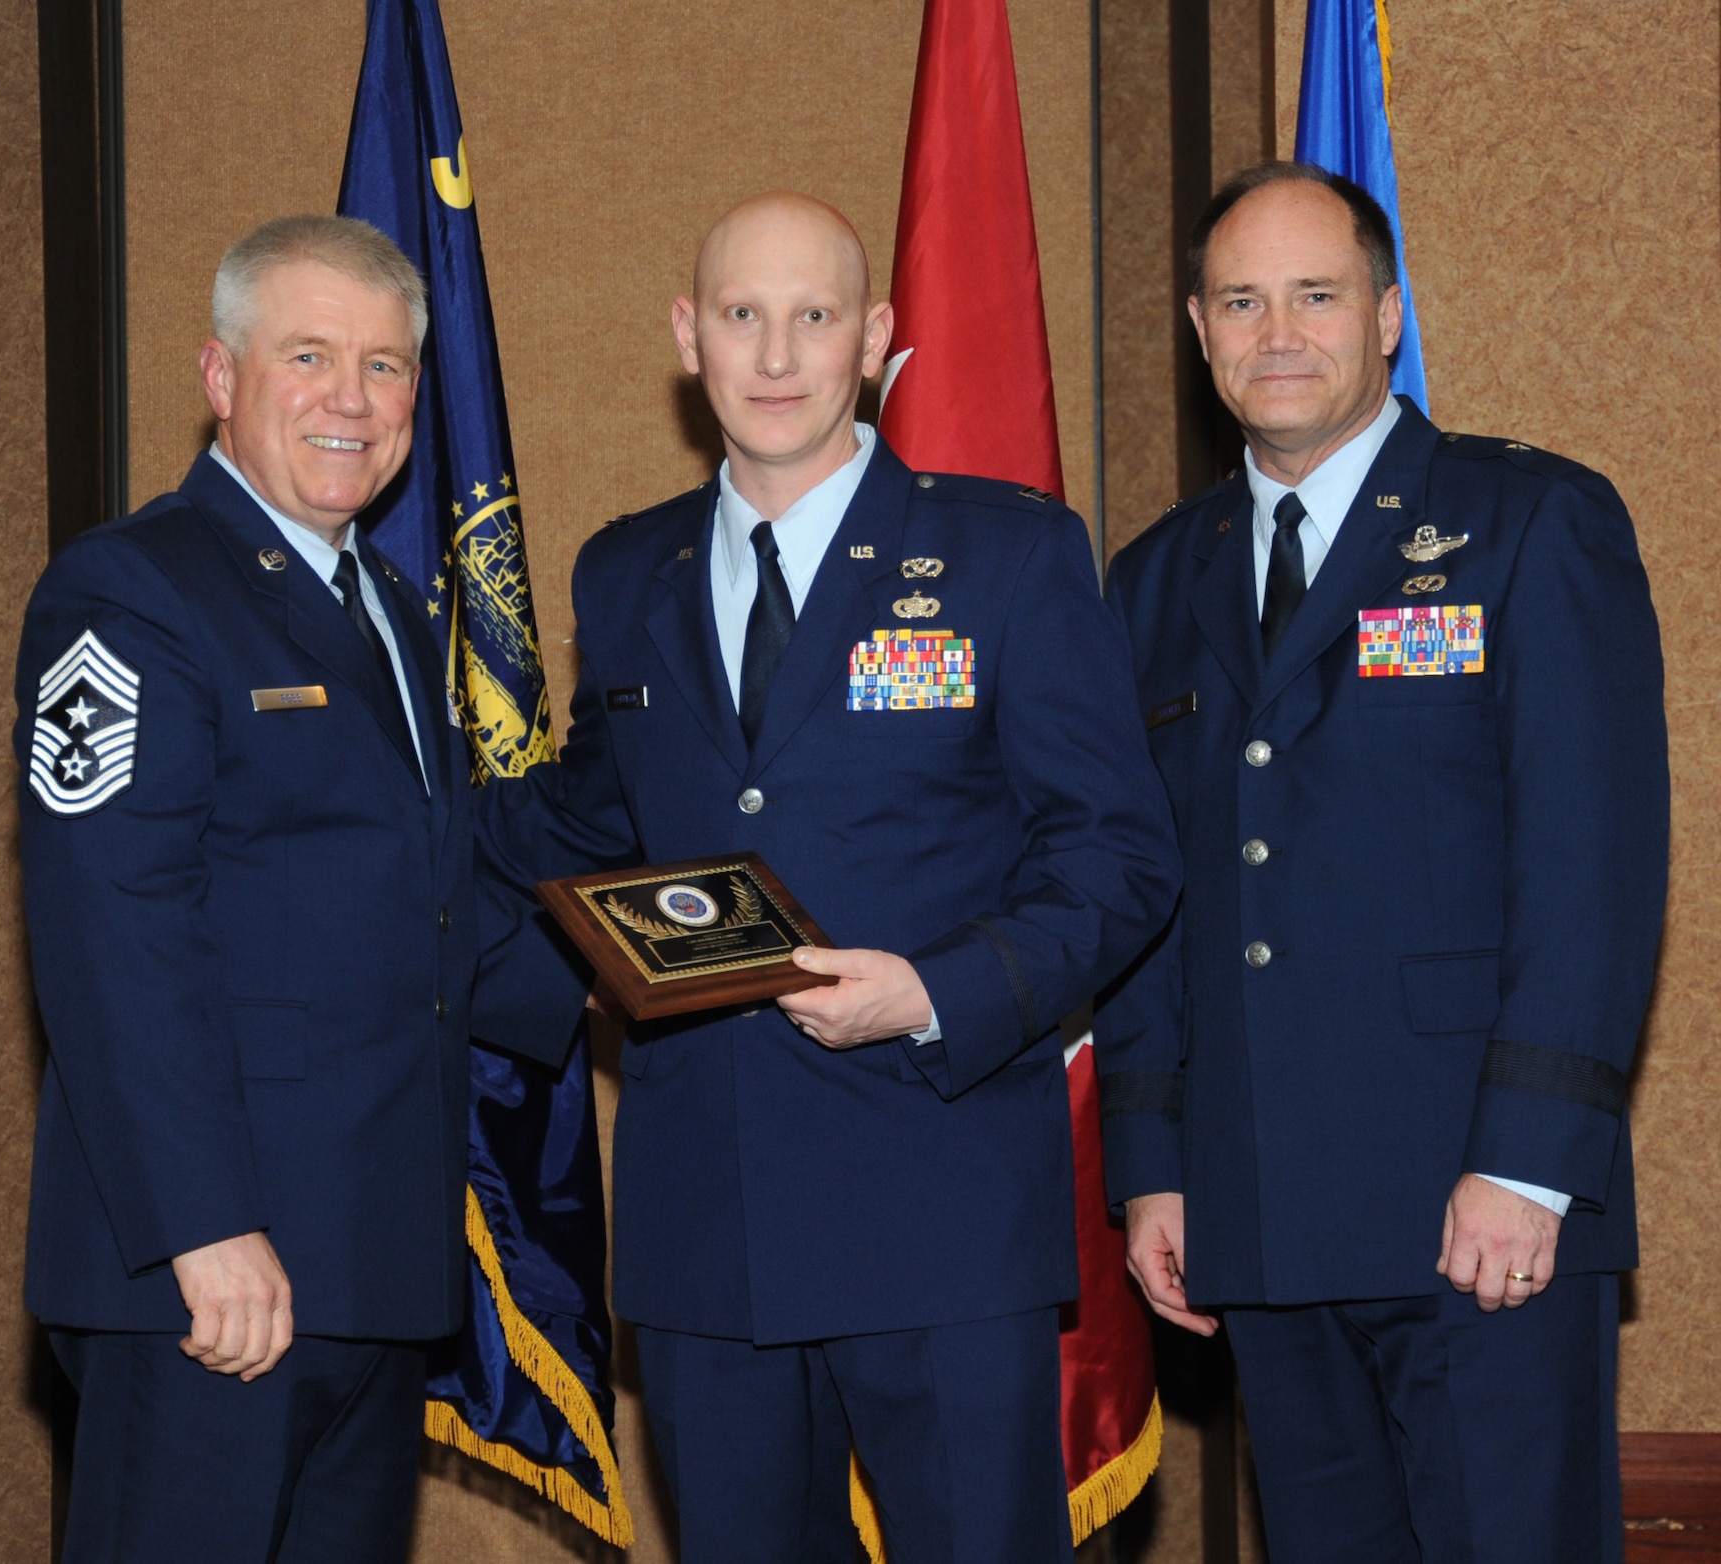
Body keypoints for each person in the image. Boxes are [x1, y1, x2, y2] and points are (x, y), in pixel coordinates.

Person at [483, 192, 1181, 1563]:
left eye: (815, 317)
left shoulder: (1011, 554)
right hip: (708, 1225)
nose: (778, 354)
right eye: (743, 315)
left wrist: (937, 991)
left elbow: (1118, 851)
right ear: (689, 336)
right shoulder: (624, 570)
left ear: (877, 337)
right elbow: (583, 828)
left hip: (942, 1202)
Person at [1097, 162, 1668, 1563]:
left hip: (1475, 1216)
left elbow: (1594, 863)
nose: (1277, 332)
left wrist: (1531, 1169)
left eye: (1316, 294)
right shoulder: (1156, 579)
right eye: (1241, 300)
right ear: (1198, 326)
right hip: (1264, 1216)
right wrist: (1155, 1164)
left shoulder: (1530, 523)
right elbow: (1152, 899)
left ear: (1389, 314)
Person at [13, 215, 581, 1564]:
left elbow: (429, 899)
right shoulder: (134, 592)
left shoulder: (389, 603)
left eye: (386, 368)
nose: (352, 399)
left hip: (366, 1260)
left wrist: (687, 973)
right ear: (222, 376)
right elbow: (114, 934)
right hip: (211, 1273)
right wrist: (205, 1227)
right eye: (310, 356)